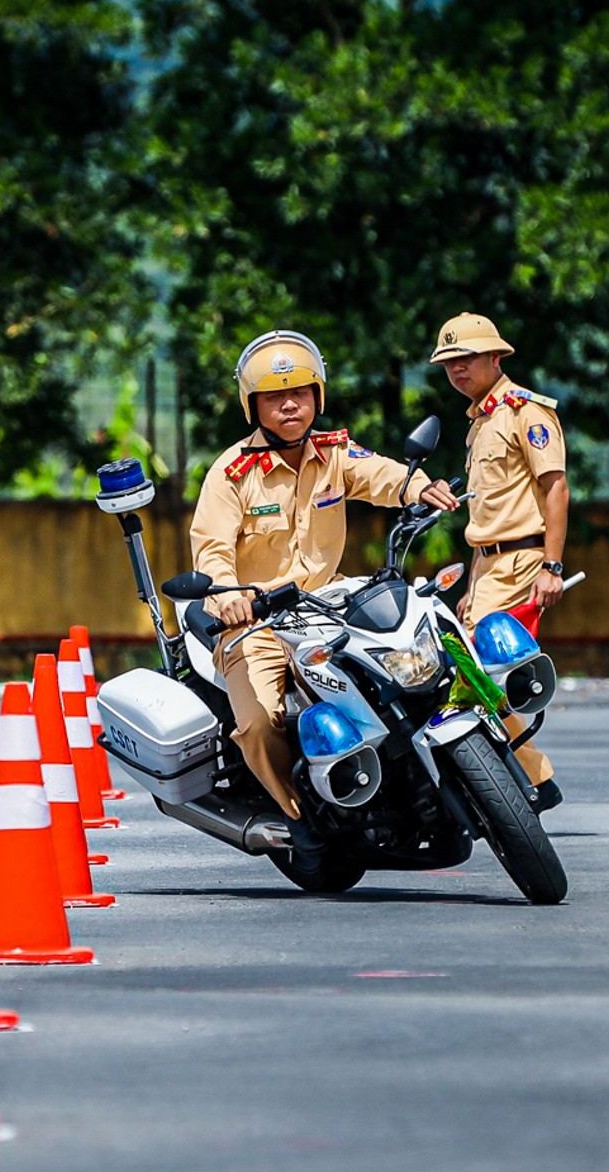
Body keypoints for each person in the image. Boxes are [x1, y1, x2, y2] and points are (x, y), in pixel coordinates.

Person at [190, 330, 456, 868]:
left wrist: (418, 486)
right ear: (253, 406)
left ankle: (422, 779)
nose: (290, 405)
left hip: (327, 608)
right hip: (255, 622)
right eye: (273, 397)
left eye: (301, 393)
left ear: (318, 396)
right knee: (260, 723)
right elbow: (212, 550)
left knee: (409, 668)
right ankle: (297, 818)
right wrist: (231, 596)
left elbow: (380, 474)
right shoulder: (231, 474)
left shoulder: (334, 454)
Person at [422, 311, 566, 812]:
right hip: (489, 565)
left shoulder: (525, 411)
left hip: (522, 561)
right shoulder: (482, 420)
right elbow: (488, 508)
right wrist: (474, 579)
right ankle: (529, 779)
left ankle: (529, 780)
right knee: (473, 677)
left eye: (467, 359)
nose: (457, 370)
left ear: (495, 357)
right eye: (449, 363)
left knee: (477, 676)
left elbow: (555, 488)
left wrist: (552, 566)